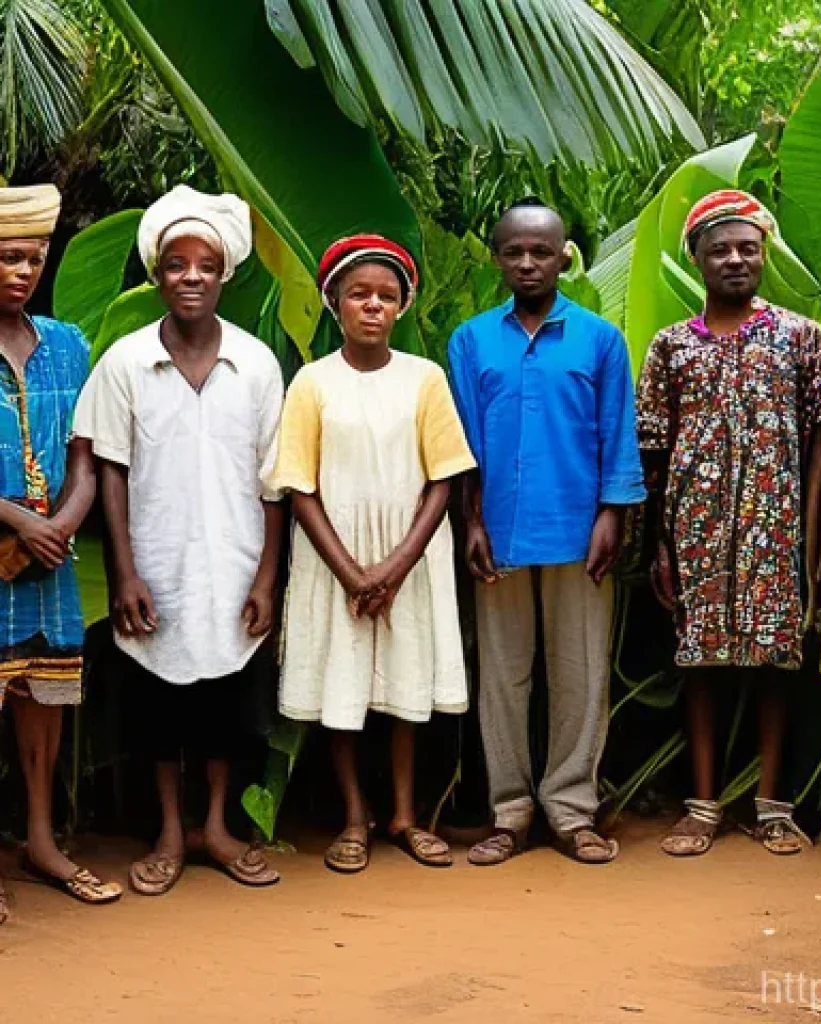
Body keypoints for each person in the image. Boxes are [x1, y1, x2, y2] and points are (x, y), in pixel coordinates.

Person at [73, 184, 284, 894]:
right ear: (156, 275)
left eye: (205, 264)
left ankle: (217, 827)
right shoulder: (126, 364)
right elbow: (108, 470)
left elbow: (274, 482)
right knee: (158, 709)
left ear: (226, 274)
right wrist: (126, 573)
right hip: (157, 566)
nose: (190, 276)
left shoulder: (256, 364)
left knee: (228, 706)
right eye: (175, 264)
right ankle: (168, 830)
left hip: (236, 561)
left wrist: (266, 578)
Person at [266, 234, 475, 873]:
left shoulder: (425, 379)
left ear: (403, 306)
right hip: (334, 553)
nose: (373, 306)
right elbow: (296, 484)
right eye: (359, 294)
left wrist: (393, 567)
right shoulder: (310, 383)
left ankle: (405, 815)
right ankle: (354, 817)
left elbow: (445, 476)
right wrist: (352, 573)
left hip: (409, 553)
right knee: (344, 679)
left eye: (387, 296)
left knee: (405, 682)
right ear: (334, 302)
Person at [448, 199, 645, 866]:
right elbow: (463, 445)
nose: (528, 263)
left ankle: (571, 809)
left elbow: (618, 432)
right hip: (497, 529)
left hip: (579, 527)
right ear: (498, 257)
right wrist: (469, 523)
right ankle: (509, 812)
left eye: (541, 251)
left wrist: (613, 515)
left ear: (566, 256)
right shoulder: (471, 340)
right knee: (503, 676)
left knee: (580, 673)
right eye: (514, 251)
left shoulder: (599, 339)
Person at [636, 189, 821, 858]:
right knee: (701, 666)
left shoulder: (800, 336)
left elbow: (817, 439)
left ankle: (773, 806)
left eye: (748, 247)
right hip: (695, 530)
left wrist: (808, 534)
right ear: (697, 258)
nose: (736, 259)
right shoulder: (669, 348)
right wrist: (659, 545)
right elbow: (653, 451)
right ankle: (702, 805)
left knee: (777, 663)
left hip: (774, 529)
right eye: (720, 248)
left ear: (764, 253)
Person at [0, 185, 121, 919]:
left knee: (42, 700)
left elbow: (88, 446)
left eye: (34, 258)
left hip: (49, 559)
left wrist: (66, 520)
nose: (23, 271)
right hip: (14, 542)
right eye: (9, 256)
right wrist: (17, 519)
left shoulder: (68, 343)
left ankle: (41, 840)